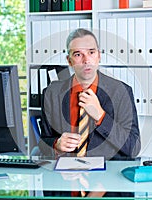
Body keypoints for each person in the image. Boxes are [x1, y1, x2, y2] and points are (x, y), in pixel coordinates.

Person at [39, 28, 141, 160]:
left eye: (91, 52)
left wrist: (101, 116)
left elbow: (133, 148)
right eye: (78, 54)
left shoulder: (121, 92)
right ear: (69, 61)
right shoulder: (51, 93)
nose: (86, 60)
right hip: (65, 174)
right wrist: (55, 145)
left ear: (99, 56)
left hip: (107, 176)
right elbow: (42, 143)